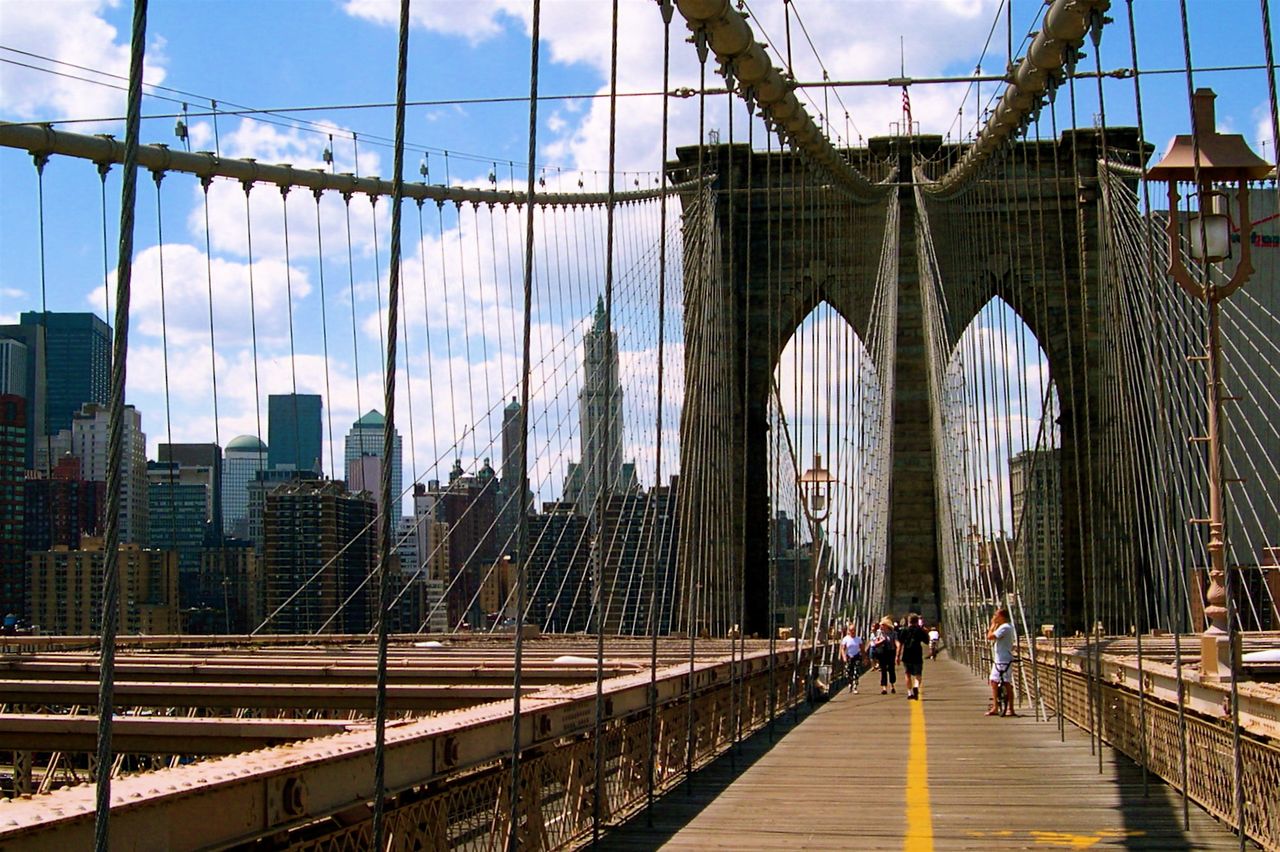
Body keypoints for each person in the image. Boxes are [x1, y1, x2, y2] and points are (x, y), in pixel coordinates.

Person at [986, 607, 1017, 716]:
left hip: (1003, 659)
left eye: (996, 615)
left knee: (1004, 683)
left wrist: (992, 625)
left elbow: (990, 637)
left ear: (1002, 616)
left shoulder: (1004, 627)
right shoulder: (1007, 627)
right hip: (1002, 658)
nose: (994, 617)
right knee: (997, 682)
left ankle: (1006, 708)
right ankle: (1004, 707)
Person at [897, 614, 929, 700]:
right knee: (918, 674)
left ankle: (910, 693)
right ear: (916, 621)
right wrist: (926, 632)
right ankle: (916, 686)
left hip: (907, 654)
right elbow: (927, 641)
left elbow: (900, 644)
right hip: (917, 654)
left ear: (908, 621)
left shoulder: (904, 630)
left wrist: (897, 656)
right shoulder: (920, 630)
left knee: (907, 674)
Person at [873, 617, 899, 694]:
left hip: (891, 652)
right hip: (882, 652)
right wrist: (881, 641)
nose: (881, 626)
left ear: (887, 626)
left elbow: (896, 642)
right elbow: (876, 643)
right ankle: (884, 687)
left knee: (891, 669)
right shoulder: (879, 632)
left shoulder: (893, 633)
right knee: (883, 670)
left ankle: (892, 685)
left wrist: (898, 650)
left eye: (882, 625)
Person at [839, 624, 864, 693]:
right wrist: (844, 657)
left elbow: (862, 649)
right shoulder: (846, 639)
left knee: (856, 672)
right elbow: (842, 649)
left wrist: (865, 658)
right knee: (848, 672)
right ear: (849, 631)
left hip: (856, 656)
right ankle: (850, 683)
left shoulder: (858, 639)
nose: (852, 631)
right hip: (849, 657)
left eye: (854, 630)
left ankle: (855, 687)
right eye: (851, 630)